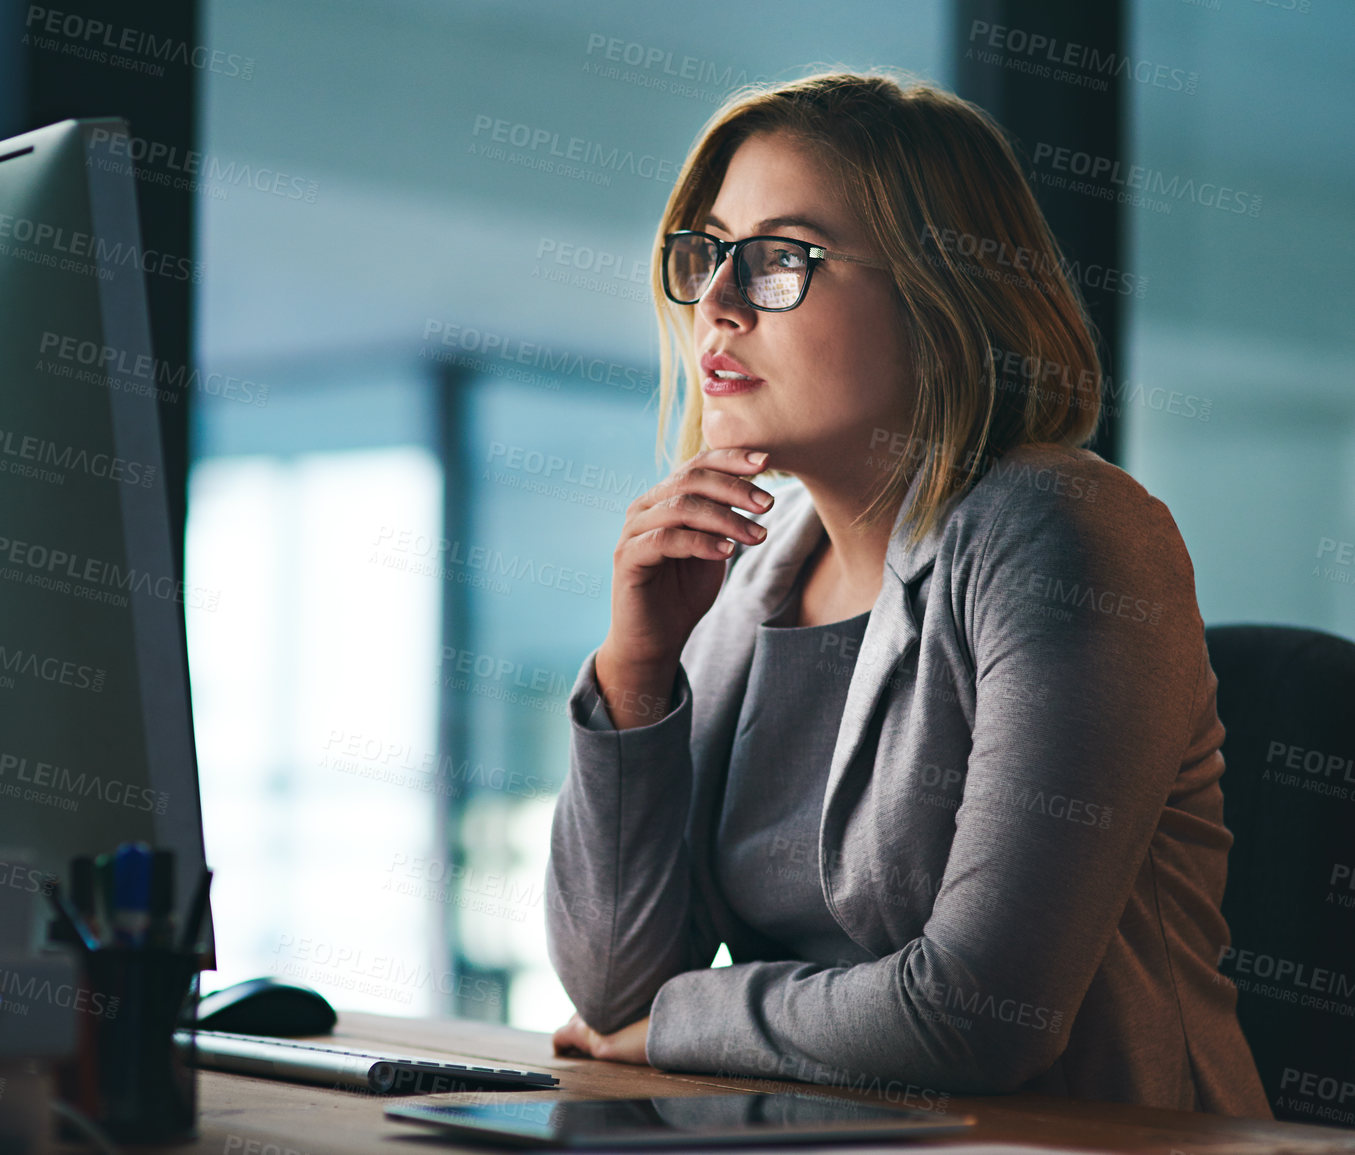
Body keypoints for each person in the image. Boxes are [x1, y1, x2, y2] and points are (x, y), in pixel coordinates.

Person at [543, 71, 1270, 1117]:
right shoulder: (755, 573)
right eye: (707, 254)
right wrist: (637, 671)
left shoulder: (1065, 530)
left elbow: (977, 1014)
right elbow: (611, 987)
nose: (716, 301)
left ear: (943, 292)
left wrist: (683, 1022)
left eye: (782, 258)